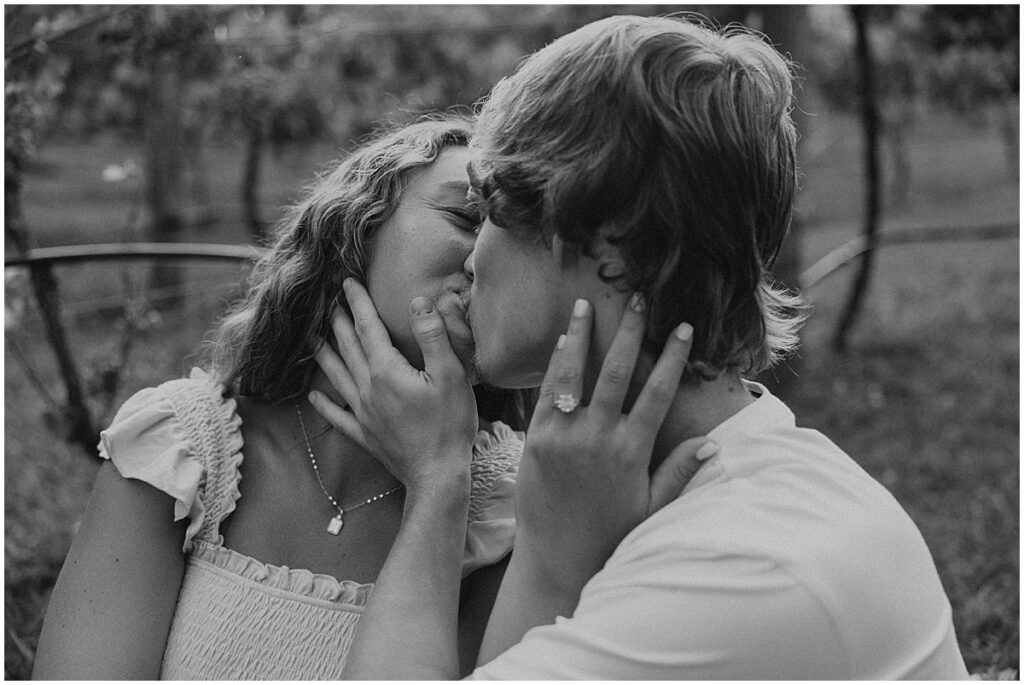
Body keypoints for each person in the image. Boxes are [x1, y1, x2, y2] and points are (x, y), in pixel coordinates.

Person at [314, 15, 969, 679]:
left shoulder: (738, 566)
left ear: (600, 235)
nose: (474, 257)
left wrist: (439, 483)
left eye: (489, 208)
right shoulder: (750, 479)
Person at [32, 117, 528, 679]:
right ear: (355, 227)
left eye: (513, 239)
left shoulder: (508, 506)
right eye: (466, 218)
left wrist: (441, 481)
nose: (483, 257)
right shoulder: (182, 452)